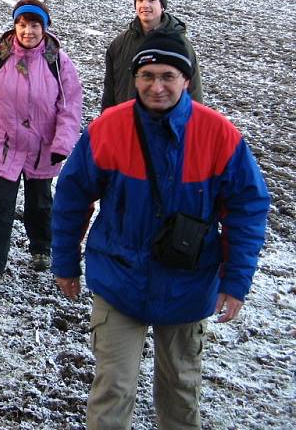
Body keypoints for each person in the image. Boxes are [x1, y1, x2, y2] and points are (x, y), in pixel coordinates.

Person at [51, 32, 269, 429]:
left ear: (186, 79)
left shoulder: (219, 135)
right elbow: (71, 197)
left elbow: (248, 208)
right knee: (112, 389)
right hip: (119, 278)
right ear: (135, 78)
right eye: (147, 75)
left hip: (189, 283)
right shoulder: (108, 129)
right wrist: (65, 262)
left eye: (168, 75)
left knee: (181, 392)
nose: (157, 86)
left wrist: (236, 281)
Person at [0, 0, 82, 282]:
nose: (28, 31)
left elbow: (70, 106)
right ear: (15, 26)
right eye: (22, 25)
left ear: (44, 29)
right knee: (1, 203)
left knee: (40, 202)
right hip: (5, 144)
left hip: (42, 146)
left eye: (34, 25)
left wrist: (62, 144)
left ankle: (41, 248)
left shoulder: (58, 61)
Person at [101, 0, 202, 111]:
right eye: (140, 0)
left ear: (162, 5)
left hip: (166, 125)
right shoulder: (119, 44)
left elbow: (194, 91)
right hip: (125, 123)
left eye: (151, 0)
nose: (145, 5)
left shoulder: (180, 45)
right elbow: (109, 91)